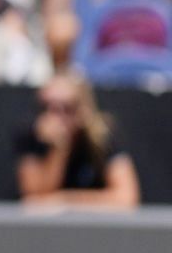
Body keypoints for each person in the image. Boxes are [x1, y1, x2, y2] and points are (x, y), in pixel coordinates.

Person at [17, 72, 141, 208]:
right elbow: (34, 201)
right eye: (46, 107)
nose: (54, 117)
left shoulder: (103, 136)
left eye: (66, 108)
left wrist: (66, 200)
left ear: (84, 110)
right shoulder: (31, 135)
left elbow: (126, 198)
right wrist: (59, 149)